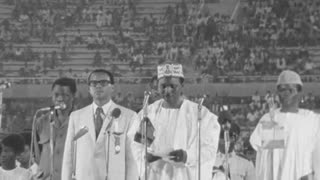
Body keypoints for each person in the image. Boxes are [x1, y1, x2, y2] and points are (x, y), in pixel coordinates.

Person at [128, 63, 221, 180]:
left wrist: (187, 156)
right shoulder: (149, 114)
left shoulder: (201, 114)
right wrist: (145, 156)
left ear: (182, 85)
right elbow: (138, 145)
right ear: (157, 86)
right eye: (163, 86)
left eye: (173, 86)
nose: (167, 90)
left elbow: (209, 148)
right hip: (157, 175)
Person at [62, 69, 138, 180]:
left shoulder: (129, 116)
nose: (98, 86)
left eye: (103, 83)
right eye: (93, 83)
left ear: (112, 87)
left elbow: (132, 159)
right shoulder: (76, 117)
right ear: (89, 89)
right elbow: (69, 155)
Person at [250, 70, 320, 180]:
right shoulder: (270, 119)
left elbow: (317, 155)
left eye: (291, 89)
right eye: (282, 89)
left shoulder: (311, 120)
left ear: (299, 92)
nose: (286, 93)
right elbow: (266, 160)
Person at [33, 77, 77, 180]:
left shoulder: (81, 121)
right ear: (52, 95)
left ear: (73, 96)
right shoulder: (41, 122)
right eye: (56, 95)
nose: (60, 99)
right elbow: (37, 154)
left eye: (65, 95)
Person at [212, 111, 255, 180]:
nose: (226, 141)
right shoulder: (210, 161)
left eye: (230, 137)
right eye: (221, 137)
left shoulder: (245, 163)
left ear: (235, 139)